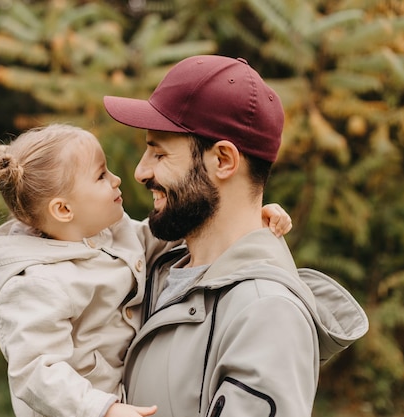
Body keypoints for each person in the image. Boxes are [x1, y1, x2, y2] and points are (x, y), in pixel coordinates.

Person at [103, 55, 369, 417]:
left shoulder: (266, 314)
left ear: (224, 160)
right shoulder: (156, 268)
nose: (140, 171)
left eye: (159, 152)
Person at [0, 123, 293, 417]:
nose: (118, 179)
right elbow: (34, 372)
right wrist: (103, 410)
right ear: (64, 209)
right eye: (101, 176)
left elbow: (173, 236)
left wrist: (249, 218)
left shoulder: (114, 234)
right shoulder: (36, 282)